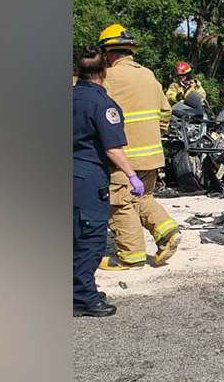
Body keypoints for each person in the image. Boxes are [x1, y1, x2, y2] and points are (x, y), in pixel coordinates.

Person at [95, 23, 181, 270]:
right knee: (142, 198)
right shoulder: (149, 75)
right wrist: (154, 134)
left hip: (123, 157)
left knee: (120, 204)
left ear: (108, 53)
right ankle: (168, 232)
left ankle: (130, 257)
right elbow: (166, 112)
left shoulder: (108, 78)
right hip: (152, 154)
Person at [73, 46, 145, 317]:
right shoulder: (101, 104)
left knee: (72, 235)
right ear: (103, 71)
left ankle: (77, 289)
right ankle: (83, 298)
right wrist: (132, 175)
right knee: (90, 238)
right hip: (88, 177)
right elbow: (112, 148)